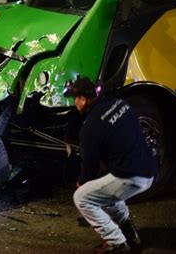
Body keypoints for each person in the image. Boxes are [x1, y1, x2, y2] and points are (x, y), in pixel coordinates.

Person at [64, 77, 157, 254]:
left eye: (74, 98)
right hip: (150, 168)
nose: (74, 103)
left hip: (132, 176)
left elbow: (89, 163)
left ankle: (117, 244)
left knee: (83, 197)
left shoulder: (91, 126)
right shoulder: (118, 103)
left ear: (83, 99)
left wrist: (82, 181)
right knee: (103, 189)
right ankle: (130, 234)